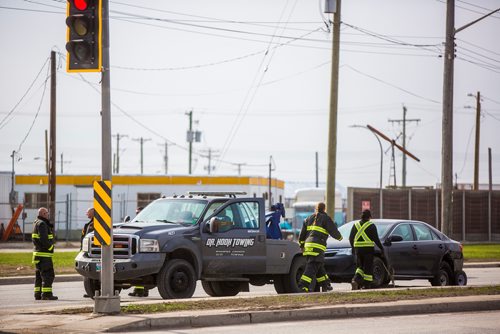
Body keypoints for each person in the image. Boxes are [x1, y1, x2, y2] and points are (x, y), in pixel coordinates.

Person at [298, 202, 342, 292]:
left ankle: (326, 285)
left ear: (316, 209)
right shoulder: (326, 218)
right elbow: (334, 231)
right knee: (312, 267)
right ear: (324, 209)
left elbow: (301, 235)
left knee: (319, 266)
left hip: (307, 247)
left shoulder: (308, 218)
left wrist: (301, 245)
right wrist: (340, 237)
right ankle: (303, 285)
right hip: (317, 248)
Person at [349, 209, 385, 290]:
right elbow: (376, 239)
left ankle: (355, 280)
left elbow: (351, 238)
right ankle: (366, 285)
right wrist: (382, 248)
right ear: (369, 217)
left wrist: (353, 248)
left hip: (358, 250)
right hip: (368, 250)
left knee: (360, 267)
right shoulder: (371, 225)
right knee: (368, 267)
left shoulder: (356, 225)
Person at [32, 207, 58, 300]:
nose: (48, 214)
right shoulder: (42, 224)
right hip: (44, 255)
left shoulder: (36, 222)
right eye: (47, 213)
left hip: (38, 255)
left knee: (39, 275)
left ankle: (37, 294)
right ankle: (46, 294)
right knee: (48, 274)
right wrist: (51, 247)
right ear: (43, 214)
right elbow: (44, 240)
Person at [129, 206, 149, 297]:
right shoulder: (135, 222)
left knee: (142, 272)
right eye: (137, 212)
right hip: (133, 250)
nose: (137, 214)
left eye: (139, 212)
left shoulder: (148, 221)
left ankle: (143, 291)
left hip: (143, 249)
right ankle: (138, 290)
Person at [81, 208, 95, 298]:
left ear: (93, 213)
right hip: (86, 251)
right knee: (88, 272)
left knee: (92, 272)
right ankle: (90, 291)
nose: (86, 214)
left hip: (93, 252)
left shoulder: (96, 223)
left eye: (88, 212)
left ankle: (92, 291)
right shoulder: (89, 224)